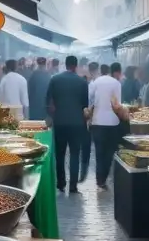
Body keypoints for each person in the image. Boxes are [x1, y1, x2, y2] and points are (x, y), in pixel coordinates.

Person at [46, 55, 89, 193]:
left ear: (65, 65)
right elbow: (85, 104)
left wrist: (53, 115)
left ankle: (61, 183)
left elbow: (48, 100)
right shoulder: (82, 82)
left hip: (60, 122)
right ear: (75, 66)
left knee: (60, 153)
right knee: (75, 153)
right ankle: (73, 185)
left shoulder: (55, 79)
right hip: (77, 123)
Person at [89, 61, 125, 190]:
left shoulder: (95, 82)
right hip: (112, 122)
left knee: (99, 152)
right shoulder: (116, 83)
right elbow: (118, 104)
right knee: (109, 152)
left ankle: (99, 179)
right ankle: (103, 179)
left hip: (97, 121)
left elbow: (90, 100)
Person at [28, 57, 51, 121]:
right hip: (45, 106)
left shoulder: (33, 75)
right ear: (45, 63)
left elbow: (29, 90)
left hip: (34, 106)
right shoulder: (49, 75)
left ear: (37, 63)